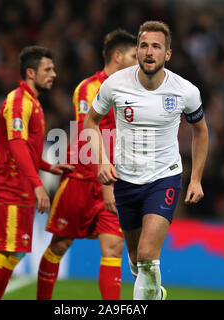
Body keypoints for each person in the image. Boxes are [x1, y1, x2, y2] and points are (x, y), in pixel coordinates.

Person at [84, 21, 209, 300]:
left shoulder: (185, 90)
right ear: (137, 51)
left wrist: (196, 178)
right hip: (126, 180)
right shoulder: (115, 84)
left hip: (164, 177)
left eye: (156, 46)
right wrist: (102, 161)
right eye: (143, 46)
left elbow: (201, 131)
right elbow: (90, 122)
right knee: (135, 260)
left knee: (147, 255)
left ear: (168, 54)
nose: (149, 52)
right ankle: (156, 294)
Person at [36, 29, 137, 300]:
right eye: (133, 55)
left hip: (113, 180)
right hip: (81, 178)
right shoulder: (89, 88)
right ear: (117, 56)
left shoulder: (133, 90)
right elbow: (89, 133)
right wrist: (106, 183)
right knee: (60, 244)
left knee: (113, 246)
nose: (139, 61)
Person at [0, 46, 74, 300]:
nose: (53, 74)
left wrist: (47, 166)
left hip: (22, 187)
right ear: (31, 72)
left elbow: (25, 148)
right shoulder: (18, 101)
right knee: (1, 249)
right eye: (47, 69)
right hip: (10, 186)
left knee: (16, 251)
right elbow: (16, 143)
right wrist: (38, 184)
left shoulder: (33, 103)